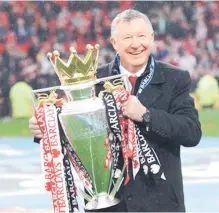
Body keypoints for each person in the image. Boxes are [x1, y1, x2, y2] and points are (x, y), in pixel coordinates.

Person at [29, 9, 202, 212]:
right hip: (107, 202)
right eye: (127, 37)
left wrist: (147, 115)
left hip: (159, 202)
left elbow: (191, 132)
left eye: (141, 36)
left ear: (152, 37)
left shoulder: (175, 78)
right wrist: (46, 129)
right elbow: (75, 129)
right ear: (114, 42)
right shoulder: (93, 80)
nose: (136, 44)